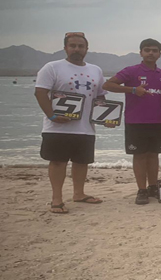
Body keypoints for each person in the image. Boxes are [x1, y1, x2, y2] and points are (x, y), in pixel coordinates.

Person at [34, 32, 110, 213]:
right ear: (65, 48)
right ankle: (56, 199)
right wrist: (51, 115)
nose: (77, 49)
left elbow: (100, 97)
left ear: (86, 49)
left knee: (81, 162)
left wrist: (105, 117)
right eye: (73, 46)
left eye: (80, 46)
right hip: (57, 127)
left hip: (86, 128)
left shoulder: (96, 70)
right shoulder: (52, 67)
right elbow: (40, 93)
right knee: (58, 162)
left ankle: (79, 194)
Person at [103, 38, 161, 204]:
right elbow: (107, 85)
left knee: (154, 155)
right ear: (141, 52)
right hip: (136, 122)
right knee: (140, 156)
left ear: (159, 54)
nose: (151, 53)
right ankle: (142, 190)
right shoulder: (131, 71)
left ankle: (153, 187)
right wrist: (132, 89)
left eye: (154, 50)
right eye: (147, 50)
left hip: (158, 122)